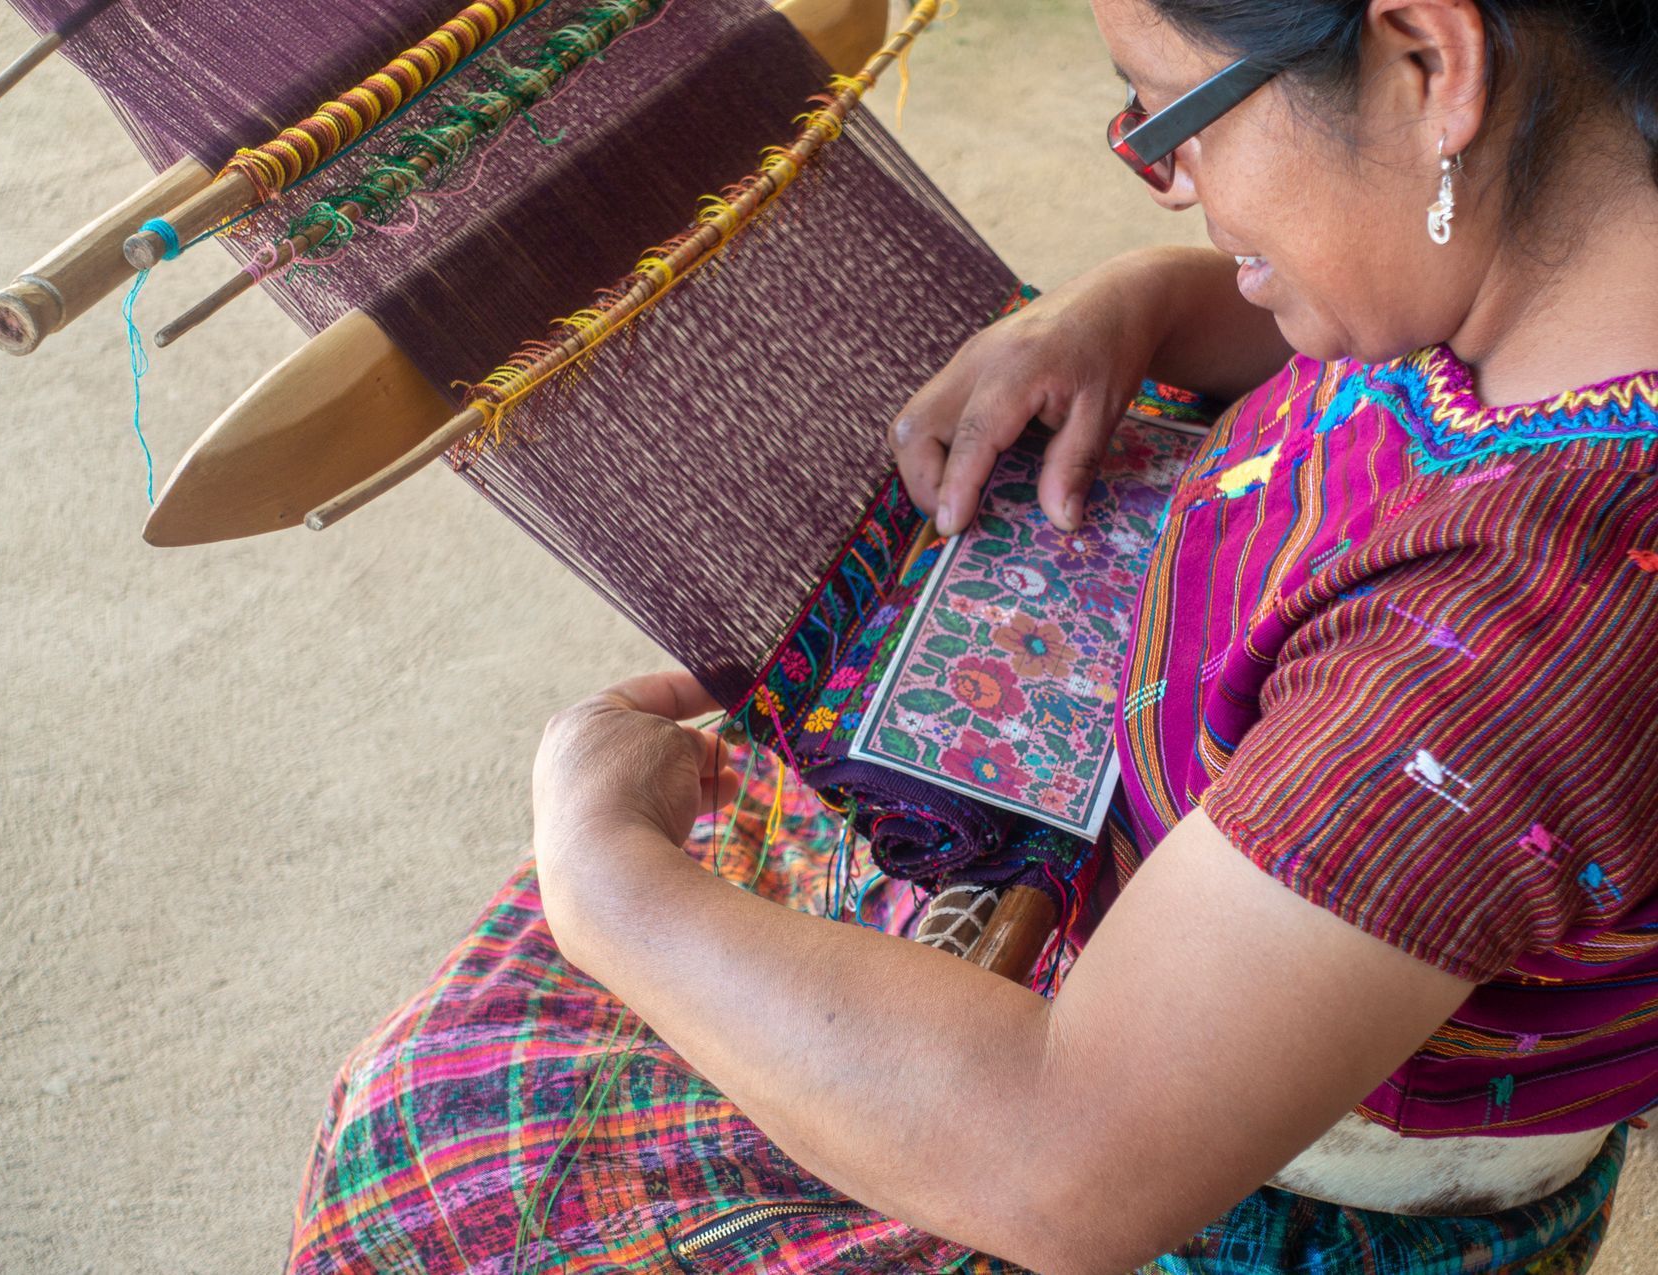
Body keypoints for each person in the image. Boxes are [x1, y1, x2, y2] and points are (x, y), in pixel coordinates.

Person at [285, 0, 1658, 1271]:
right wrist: (1133, 303)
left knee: (445, 1146)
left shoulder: (1517, 634)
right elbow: (1359, 353)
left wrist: (609, 888)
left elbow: (1069, 1162)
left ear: (1431, 64)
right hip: (1172, 889)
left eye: (1172, 119)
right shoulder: (1560, 255)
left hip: (1256, 1174)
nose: (1170, 179)